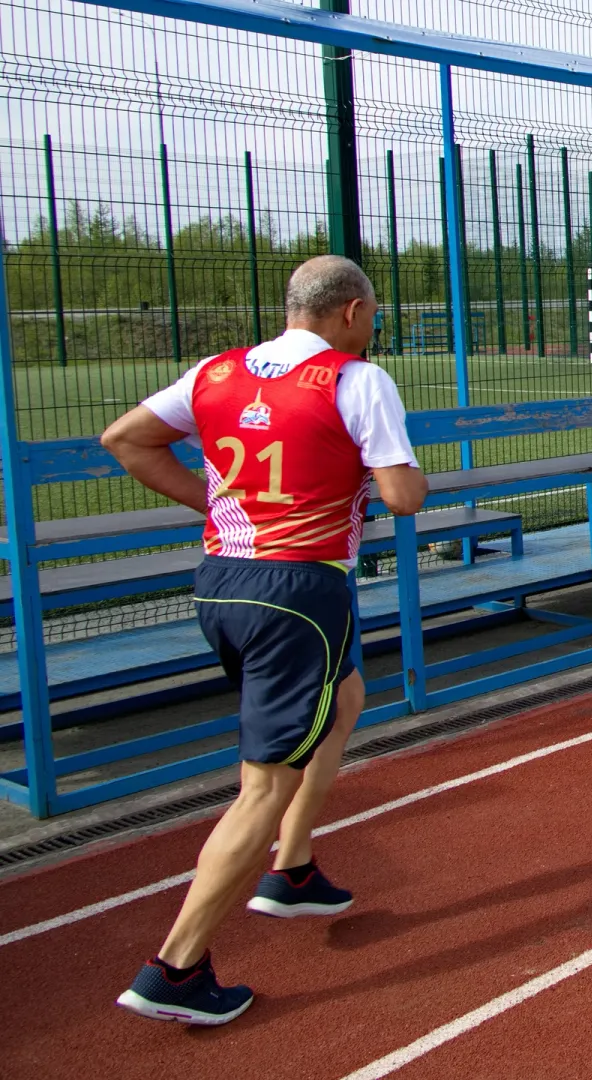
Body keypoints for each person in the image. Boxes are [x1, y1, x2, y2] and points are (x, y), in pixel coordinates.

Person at [101, 255, 426, 1025]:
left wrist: (214, 500)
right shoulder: (356, 379)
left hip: (222, 580)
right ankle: (175, 967)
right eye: (372, 315)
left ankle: (294, 866)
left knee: (345, 698)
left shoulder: (215, 373)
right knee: (264, 784)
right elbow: (402, 496)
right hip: (300, 593)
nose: (373, 328)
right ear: (349, 311)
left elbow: (125, 438)